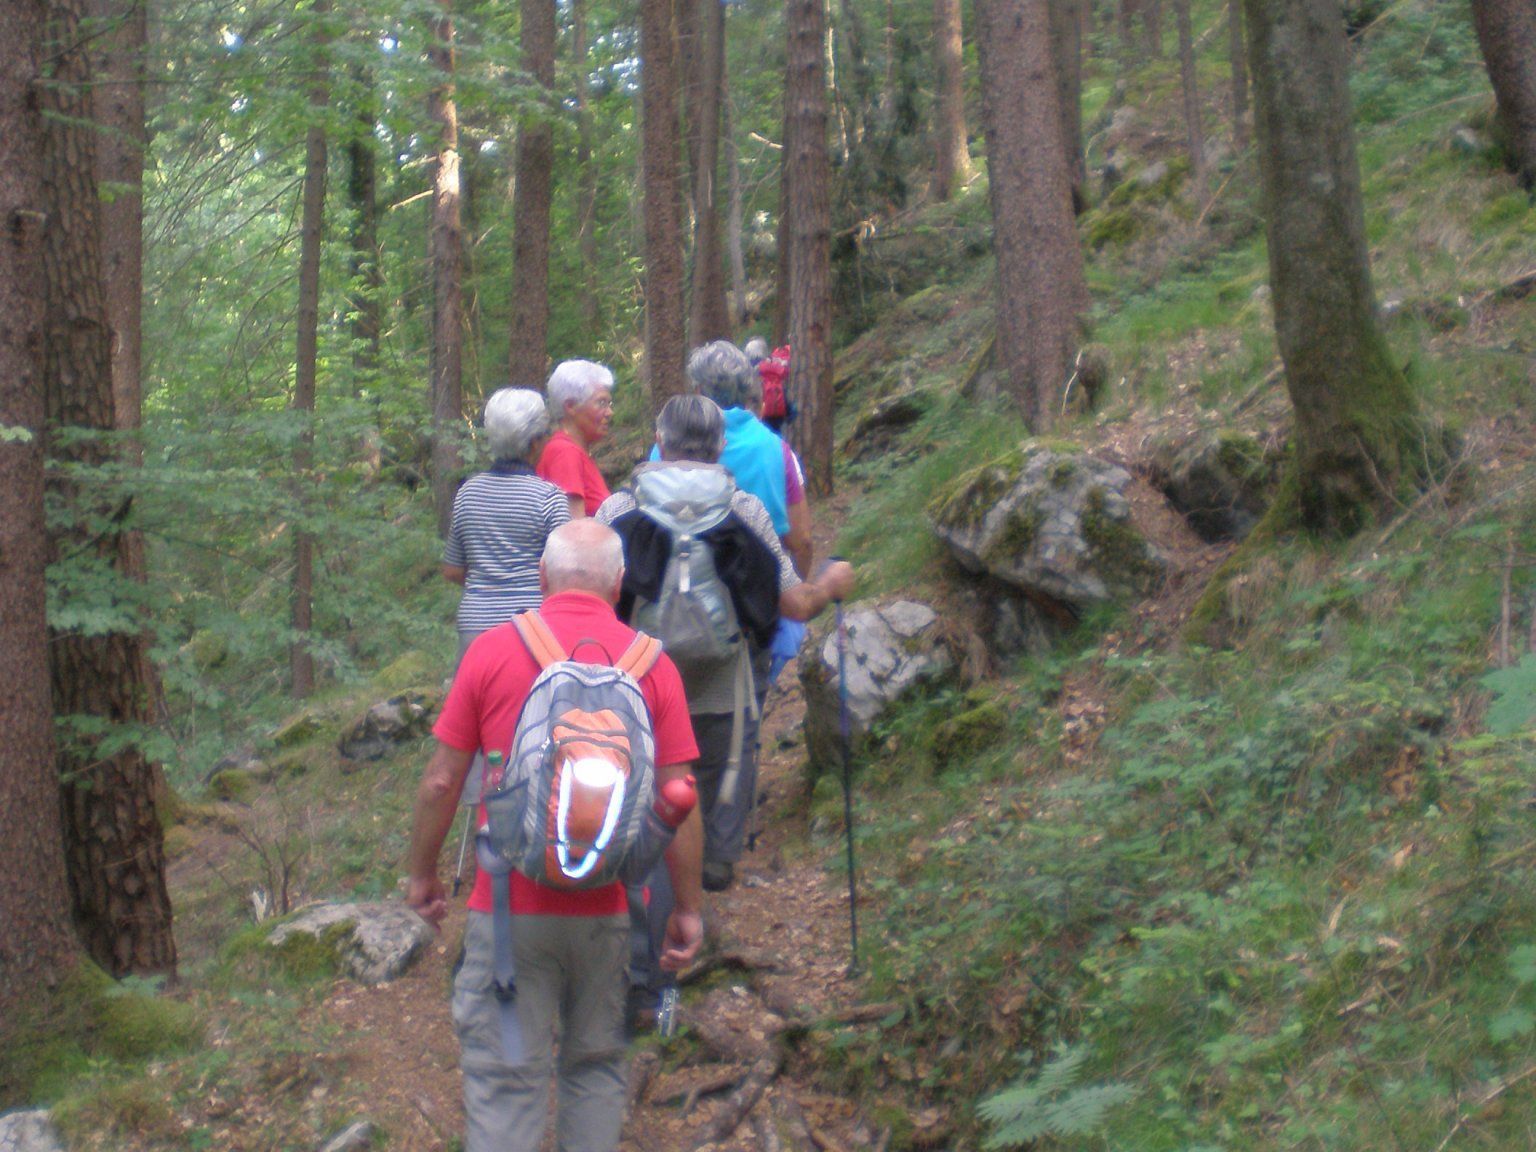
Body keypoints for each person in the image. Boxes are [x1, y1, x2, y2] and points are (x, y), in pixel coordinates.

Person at [407, 520, 704, 1152]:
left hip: (508, 910)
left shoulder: (490, 652)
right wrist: (688, 909)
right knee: (596, 1068)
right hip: (614, 910)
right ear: (620, 584)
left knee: (504, 1079)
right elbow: (680, 799)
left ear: (542, 578)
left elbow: (440, 783)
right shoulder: (653, 666)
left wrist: (422, 875)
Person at [600, 393, 854, 907]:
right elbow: (796, 604)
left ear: (659, 443)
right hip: (724, 674)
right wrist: (830, 582)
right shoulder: (743, 509)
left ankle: (643, 861)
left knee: (645, 761)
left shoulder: (620, 507)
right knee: (721, 760)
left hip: (637, 676)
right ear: (720, 446)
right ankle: (714, 863)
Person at [443, 388, 570, 657]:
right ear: (535, 443)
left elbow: (452, 571)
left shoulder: (468, 493)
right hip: (535, 629)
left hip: (475, 626)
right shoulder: (549, 498)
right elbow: (564, 576)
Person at [538, 359, 615, 519]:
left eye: (609, 403)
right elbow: (574, 532)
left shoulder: (574, 452)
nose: (609, 413)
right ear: (570, 406)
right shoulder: (564, 453)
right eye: (601, 403)